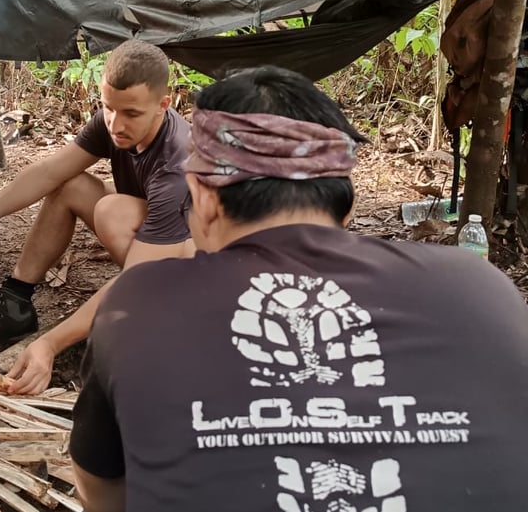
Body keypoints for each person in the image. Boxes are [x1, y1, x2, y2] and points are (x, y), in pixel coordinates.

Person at [69, 65, 528, 512]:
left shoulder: (138, 307)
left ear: (205, 198)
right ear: (344, 201)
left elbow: (101, 492)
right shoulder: (479, 287)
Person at [0, 40, 193, 394]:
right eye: (108, 108)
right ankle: (14, 305)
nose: (116, 124)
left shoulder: (177, 165)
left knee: (112, 212)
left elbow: (138, 275)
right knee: (69, 184)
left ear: (163, 105)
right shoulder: (113, 122)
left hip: (193, 274)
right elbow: (49, 171)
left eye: (131, 114)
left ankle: (154, 316)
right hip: (154, 247)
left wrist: (50, 345)